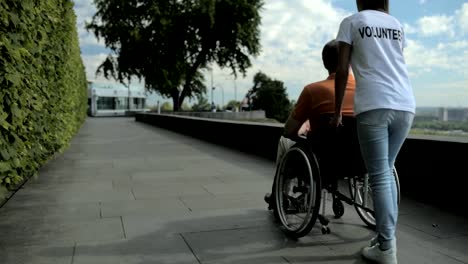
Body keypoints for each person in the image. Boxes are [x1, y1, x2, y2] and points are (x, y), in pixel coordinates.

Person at [331, 1, 415, 263]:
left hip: (374, 104)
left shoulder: (352, 21)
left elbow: (342, 69)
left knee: (379, 176)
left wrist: (336, 111)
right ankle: (383, 239)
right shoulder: (397, 25)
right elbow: (393, 61)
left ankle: (387, 248)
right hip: (405, 104)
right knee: (386, 172)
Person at [264, 39, 356, 208]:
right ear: (349, 61)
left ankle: (281, 195)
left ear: (324, 63)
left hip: (323, 159)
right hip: (358, 162)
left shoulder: (313, 91)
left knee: (286, 142)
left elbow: (289, 130)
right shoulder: (365, 90)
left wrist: (303, 132)